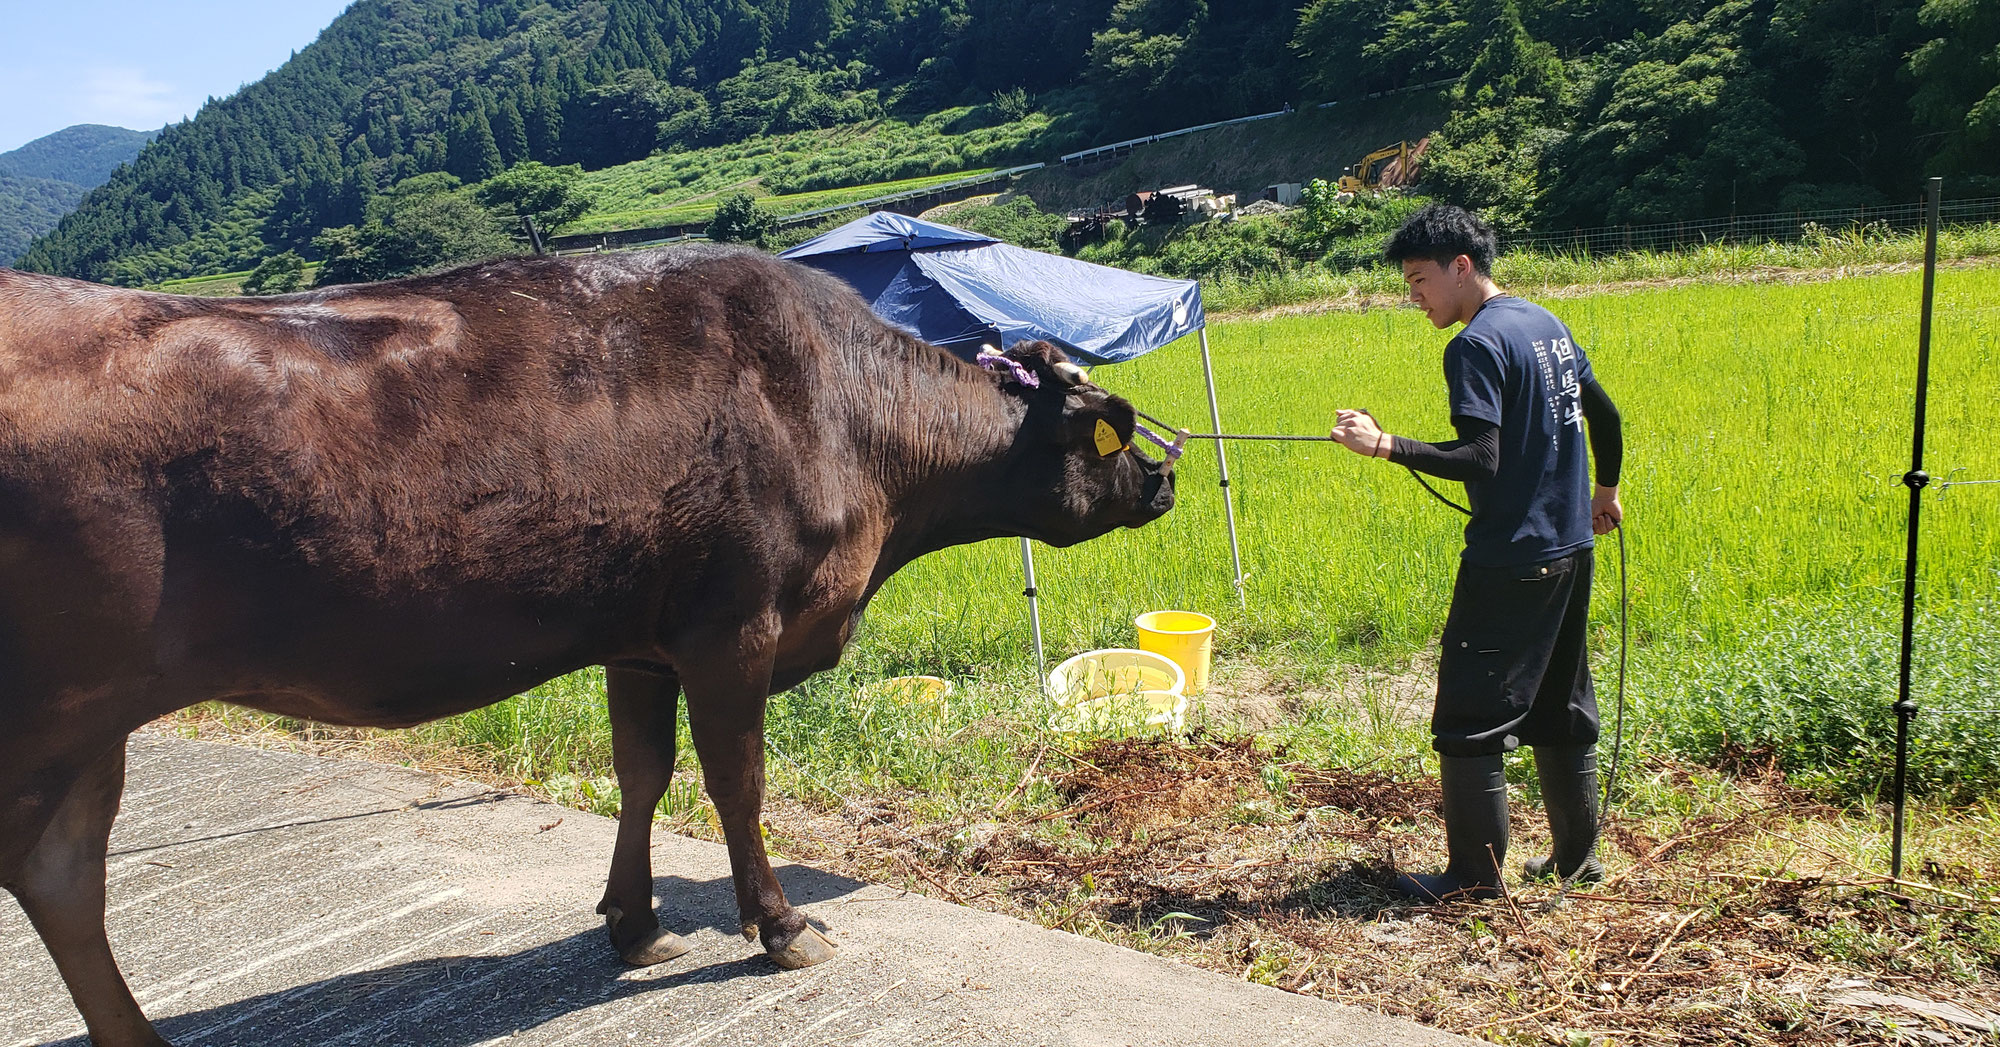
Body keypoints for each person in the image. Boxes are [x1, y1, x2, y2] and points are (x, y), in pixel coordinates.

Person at [1330, 203, 1624, 901]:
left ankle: (1472, 878)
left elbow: (1481, 458)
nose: (1416, 297)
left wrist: (1385, 444)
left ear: (1462, 267)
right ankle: (1578, 861)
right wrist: (1605, 492)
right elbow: (1604, 412)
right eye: (1408, 285)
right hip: (1570, 548)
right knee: (1561, 704)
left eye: (1421, 279)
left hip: (1511, 557)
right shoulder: (1544, 323)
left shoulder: (1473, 345)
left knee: (1469, 715)